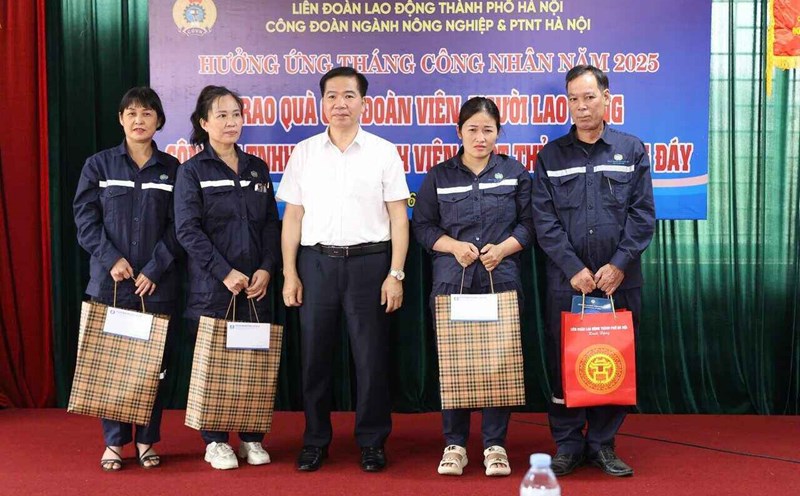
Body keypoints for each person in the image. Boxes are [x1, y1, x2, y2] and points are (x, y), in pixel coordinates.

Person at [277, 66, 410, 473]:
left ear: (363, 103)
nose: (340, 103)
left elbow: (399, 218)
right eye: (332, 96)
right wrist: (290, 273)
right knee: (315, 359)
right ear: (321, 103)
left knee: (370, 360)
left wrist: (396, 274)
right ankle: (316, 439)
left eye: (349, 96)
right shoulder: (304, 152)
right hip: (316, 265)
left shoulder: (383, 151)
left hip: (371, 265)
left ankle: (372, 441)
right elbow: (293, 218)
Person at [530, 65, 655, 477]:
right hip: (568, 283)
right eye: (573, 99)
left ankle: (602, 443)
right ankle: (567, 444)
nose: (581, 107)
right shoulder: (549, 156)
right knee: (564, 362)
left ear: (606, 98)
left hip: (619, 281)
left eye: (589, 97)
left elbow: (642, 216)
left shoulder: (631, 149)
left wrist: (619, 265)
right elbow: (543, 221)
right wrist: (573, 268)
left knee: (613, 361)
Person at [412, 97, 534, 477]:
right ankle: (455, 444)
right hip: (453, 281)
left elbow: (530, 224)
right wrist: (453, 246)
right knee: (456, 362)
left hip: (502, 278)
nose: (480, 138)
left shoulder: (515, 172)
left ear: (499, 132)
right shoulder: (440, 175)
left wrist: (504, 249)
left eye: (488, 130)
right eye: (472, 130)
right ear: (459, 131)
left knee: (500, 362)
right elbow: (423, 227)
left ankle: (495, 445)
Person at [73, 86, 181, 471]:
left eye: (147, 113)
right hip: (111, 284)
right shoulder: (98, 166)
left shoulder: (174, 170)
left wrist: (155, 268)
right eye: (132, 113)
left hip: (158, 286)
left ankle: (148, 441)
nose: (139, 120)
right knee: (113, 365)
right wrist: (110, 259)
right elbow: (85, 221)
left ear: (159, 121)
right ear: (121, 119)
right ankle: (114, 443)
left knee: (156, 367)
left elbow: (180, 226)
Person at [174, 85, 280, 470]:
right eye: (221, 115)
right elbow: (187, 230)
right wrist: (225, 272)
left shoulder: (257, 168)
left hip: (256, 285)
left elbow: (271, 223)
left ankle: (252, 437)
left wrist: (267, 268)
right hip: (212, 287)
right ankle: (215, 440)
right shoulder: (192, 171)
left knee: (252, 361)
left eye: (236, 114)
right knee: (214, 363)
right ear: (204, 123)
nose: (230, 122)